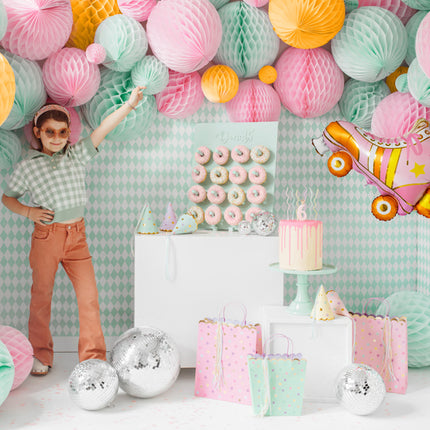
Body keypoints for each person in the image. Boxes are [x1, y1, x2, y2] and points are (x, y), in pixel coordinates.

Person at [1, 86, 145, 375]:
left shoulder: (77, 155)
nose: (57, 138)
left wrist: (129, 105)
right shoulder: (28, 166)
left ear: (69, 133)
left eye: (62, 132)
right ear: (38, 132)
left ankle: (93, 357)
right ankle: (40, 354)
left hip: (78, 237)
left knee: (89, 298)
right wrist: (30, 212)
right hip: (47, 237)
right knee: (41, 296)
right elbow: (8, 197)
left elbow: (103, 128)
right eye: (50, 132)